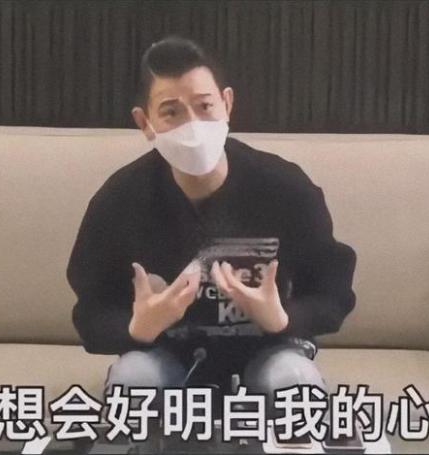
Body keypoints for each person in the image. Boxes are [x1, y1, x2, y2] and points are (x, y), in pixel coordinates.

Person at [66, 35, 357, 434]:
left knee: (294, 381)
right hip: (163, 358)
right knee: (133, 381)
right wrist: (137, 327)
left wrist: (283, 318)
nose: (192, 125)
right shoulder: (120, 199)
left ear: (227, 104)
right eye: (171, 112)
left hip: (270, 351)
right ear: (145, 123)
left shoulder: (286, 188)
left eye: (204, 107)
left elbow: (334, 293)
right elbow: (90, 311)